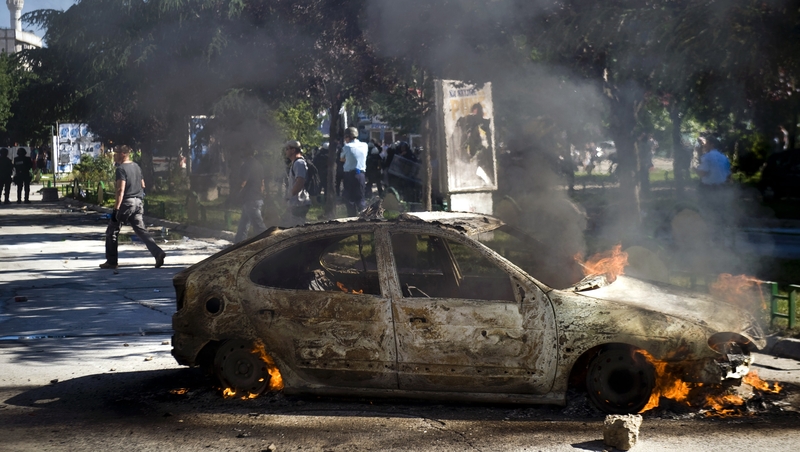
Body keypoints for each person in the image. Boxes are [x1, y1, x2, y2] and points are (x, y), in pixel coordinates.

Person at [100, 145, 166, 269]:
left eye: (116, 153)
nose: (114, 155)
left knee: (112, 231)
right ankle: (158, 253)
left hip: (126, 203)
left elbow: (120, 190)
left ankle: (112, 262)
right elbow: (143, 184)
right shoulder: (136, 167)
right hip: (138, 202)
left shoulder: (121, 169)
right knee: (141, 231)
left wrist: (116, 210)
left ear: (123, 154)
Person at [233, 149, 267, 243]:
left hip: (250, 199)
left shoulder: (246, 165)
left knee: (259, 226)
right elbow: (262, 183)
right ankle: (238, 245)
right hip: (256, 199)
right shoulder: (259, 165)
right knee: (243, 225)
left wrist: (236, 193)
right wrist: (260, 194)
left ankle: (270, 244)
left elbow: (243, 182)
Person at [283, 140, 312, 226]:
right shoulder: (296, 163)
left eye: (287, 149)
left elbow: (300, 183)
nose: (286, 151)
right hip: (296, 203)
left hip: (299, 203)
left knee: (296, 228)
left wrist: (289, 196)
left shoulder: (299, 163)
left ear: (293, 150)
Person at [341, 127, 368, 216]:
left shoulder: (347, 147)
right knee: (361, 198)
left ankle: (351, 219)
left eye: (345, 137)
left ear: (349, 136)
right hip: (361, 174)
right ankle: (364, 217)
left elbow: (341, 158)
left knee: (349, 199)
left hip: (349, 175)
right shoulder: (365, 145)